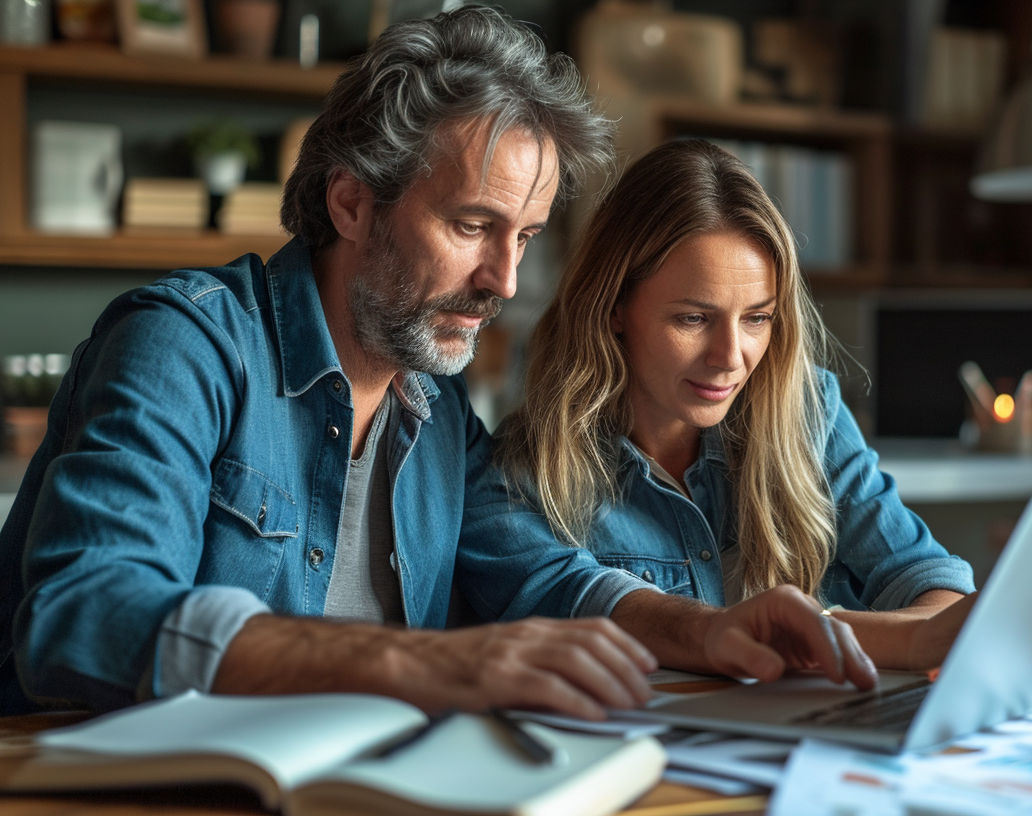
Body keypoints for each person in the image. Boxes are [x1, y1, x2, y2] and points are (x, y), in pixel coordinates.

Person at [0, 10, 864, 717]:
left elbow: (541, 570)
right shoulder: (186, 345)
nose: (504, 281)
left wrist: (704, 631)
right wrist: (415, 663)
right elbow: (83, 615)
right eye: (471, 227)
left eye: (523, 237)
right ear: (351, 202)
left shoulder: (436, 412)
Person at [472, 139, 978, 675]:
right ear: (614, 307)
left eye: (757, 318)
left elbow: (931, 583)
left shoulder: (807, 412)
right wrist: (888, 638)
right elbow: (582, 599)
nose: (730, 358)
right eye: (693, 319)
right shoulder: (517, 478)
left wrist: (883, 633)